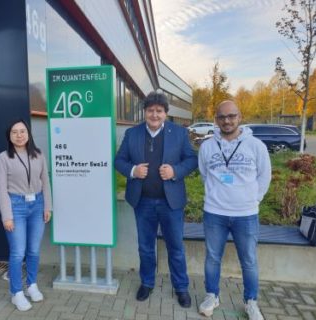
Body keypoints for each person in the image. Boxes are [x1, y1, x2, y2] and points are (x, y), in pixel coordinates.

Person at [114, 91, 198, 307]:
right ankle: (147, 283)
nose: (154, 114)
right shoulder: (132, 134)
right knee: (145, 247)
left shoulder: (179, 133)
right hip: (142, 202)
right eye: (150, 110)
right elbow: (119, 161)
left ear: (165, 113)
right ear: (145, 112)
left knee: (175, 247)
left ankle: (181, 287)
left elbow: (191, 160)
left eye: (159, 111)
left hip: (171, 203)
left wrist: (175, 171)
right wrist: (133, 170)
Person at [198, 101, 271, 320]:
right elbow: (205, 175)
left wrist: (251, 199)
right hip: (214, 212)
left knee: (248, 260)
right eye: (222, 117)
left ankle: (251, 302)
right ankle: (212, 296)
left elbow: (264, 176)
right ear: (216, 119)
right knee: (212, 258)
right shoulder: (207, 146)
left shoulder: (256, 145)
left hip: (246, 214)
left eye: (232, 116)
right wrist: (216, 195)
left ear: (240, 117)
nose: (227, 120)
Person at [0, 119, 52, 311]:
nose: (19, 135)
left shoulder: (39, 154)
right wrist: (6, 216)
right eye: (14, 132)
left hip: (37, 205)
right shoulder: (3, 158)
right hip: (15, 206)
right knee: (18, 252)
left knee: (34, 250)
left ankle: (32, 285)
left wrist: (47, 207)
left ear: (28, 133)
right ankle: (16, 293)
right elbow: (1, 189)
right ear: (9, 136)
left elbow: (45, 181)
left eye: (22, 131)